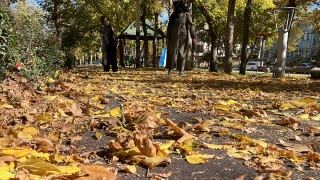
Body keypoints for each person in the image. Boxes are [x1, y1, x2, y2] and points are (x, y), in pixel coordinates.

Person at [166, 1, 196, 76]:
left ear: (177, 6)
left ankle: (181, 70)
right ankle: (170, 69)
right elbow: (169, 27)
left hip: (183, 36)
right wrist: (167, 37)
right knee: (172, 52)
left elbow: (191, 26)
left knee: (181, 53)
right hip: (172, 36)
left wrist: (193, 37)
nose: (172, 7)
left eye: (173, 6)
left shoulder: (186, 14)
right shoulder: (173, 15)